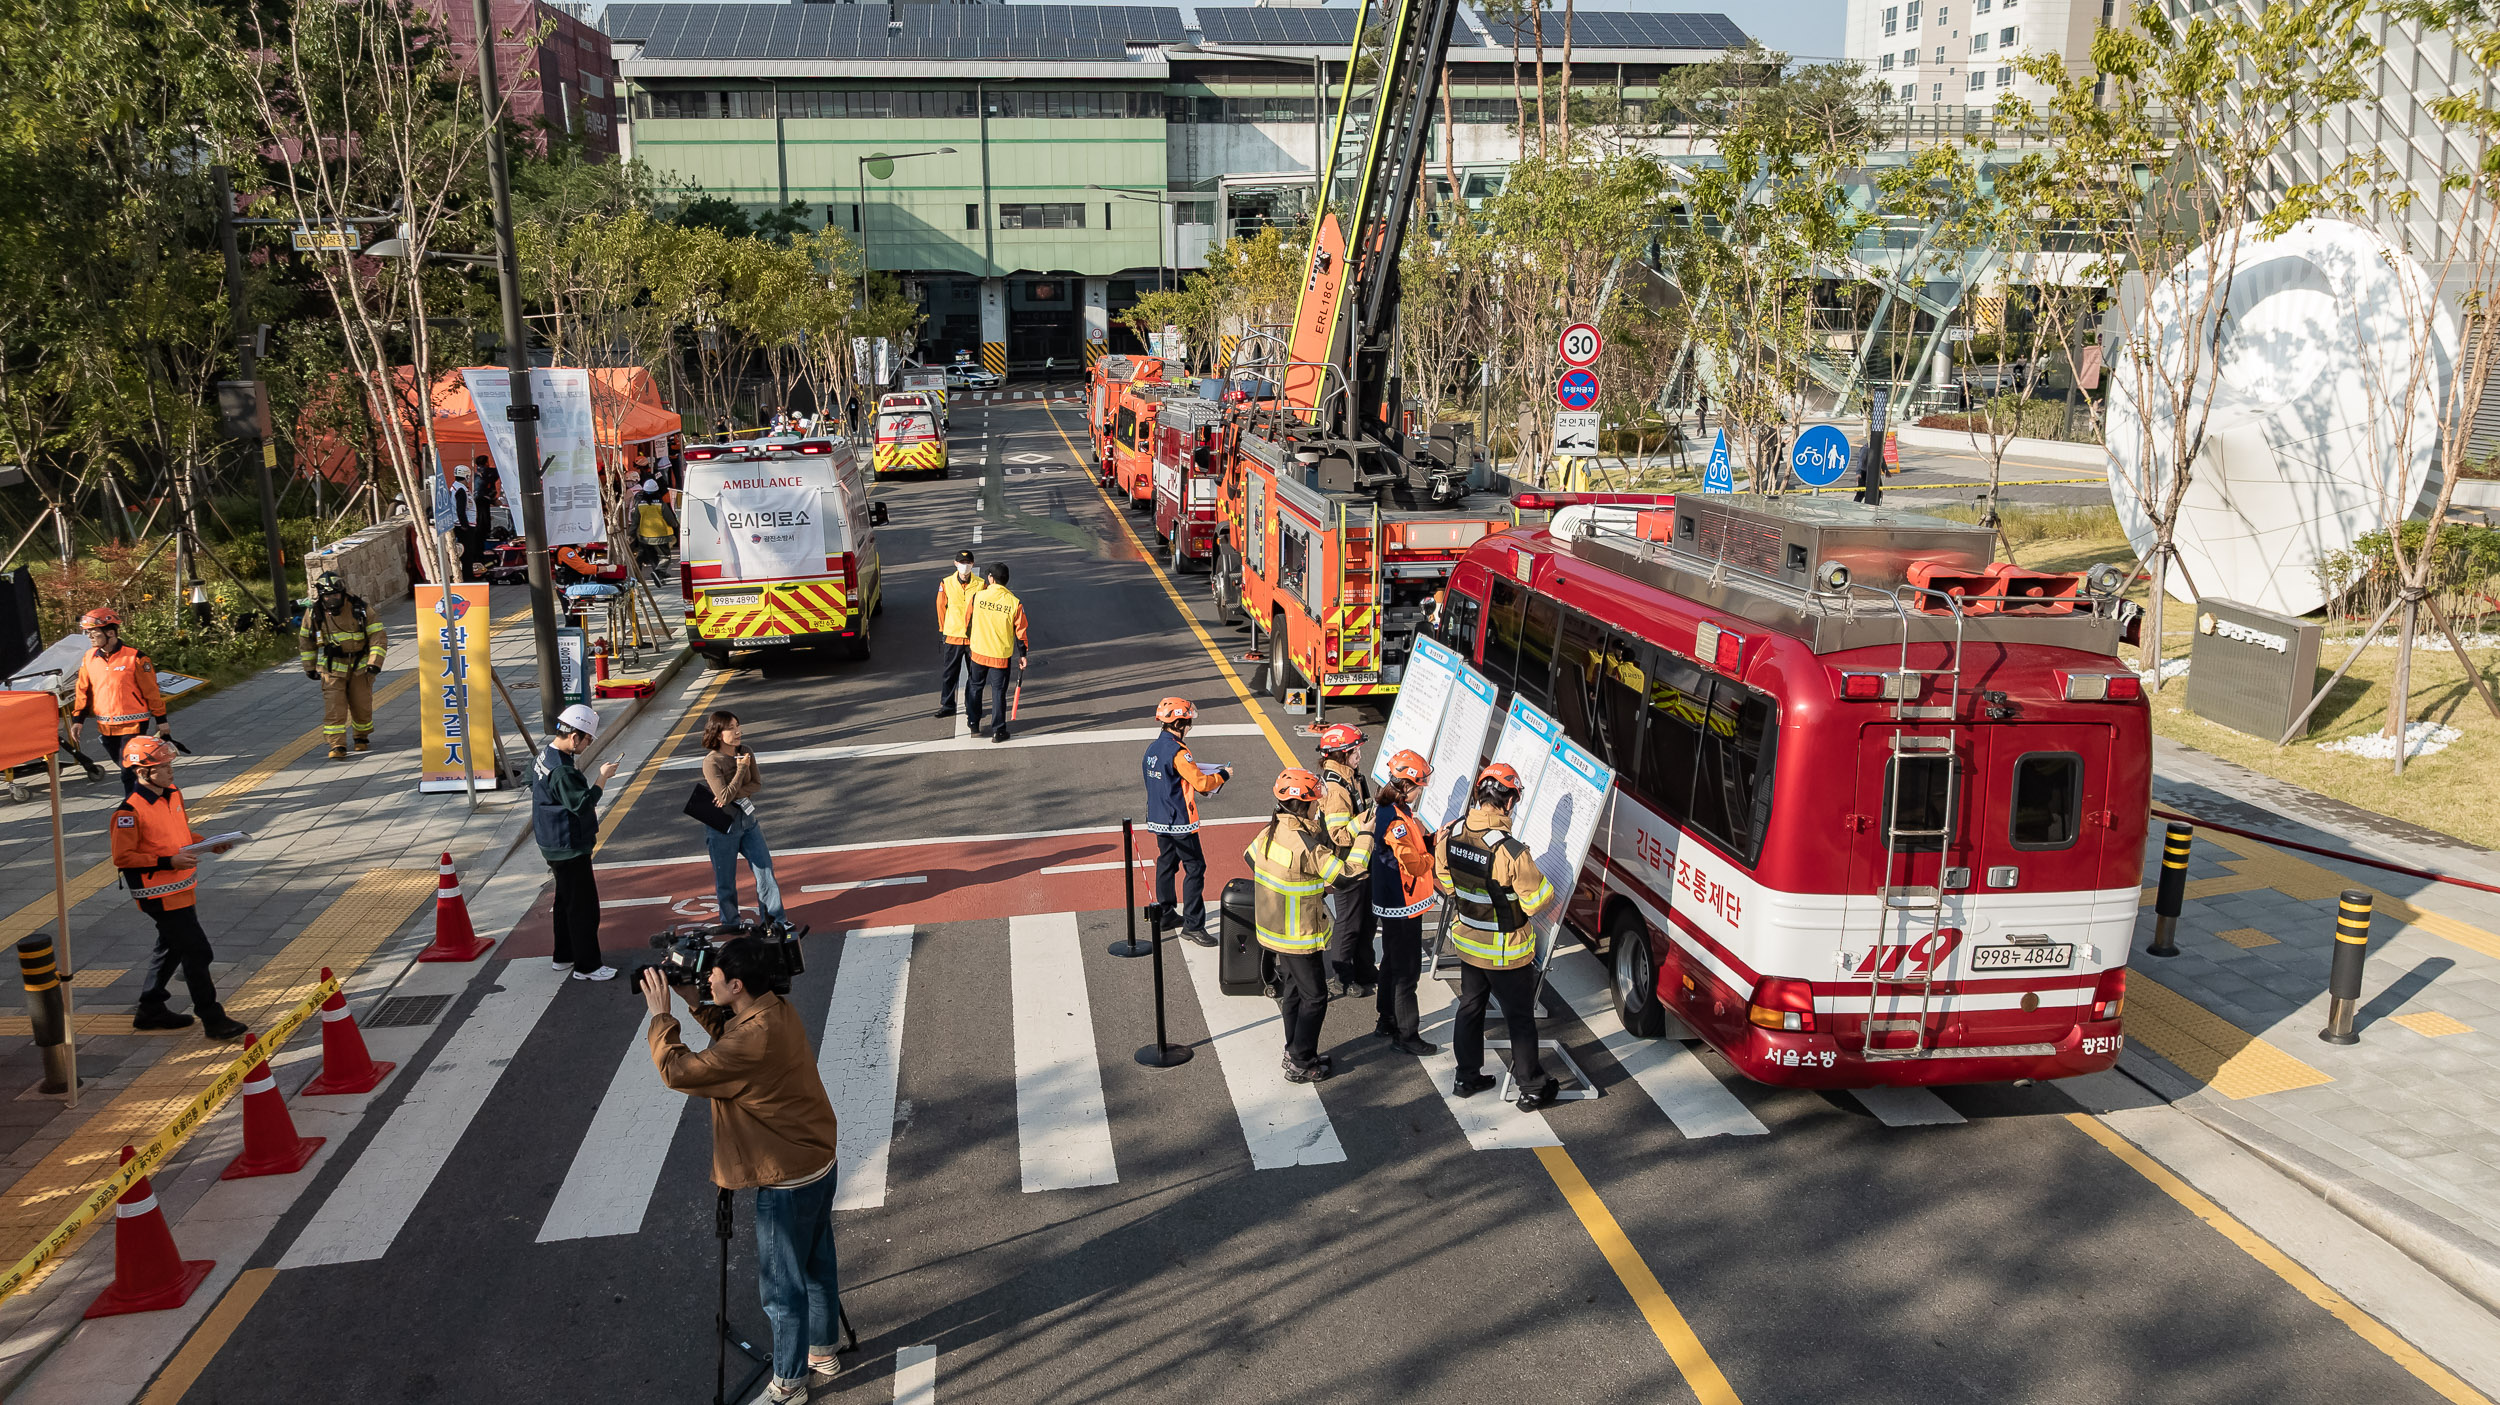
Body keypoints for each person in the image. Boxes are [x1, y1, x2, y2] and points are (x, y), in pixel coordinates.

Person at [643, 940, 844, 1404]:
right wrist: (697, 1003)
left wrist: (662, 1015)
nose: (705, 977)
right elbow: (735, 1037)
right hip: (816, 1161)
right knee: (816, 1265)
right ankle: (823, 1351)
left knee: (780, 1289)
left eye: (711, 974)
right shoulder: (775, 1011)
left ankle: (789, 1384)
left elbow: (679, 1071)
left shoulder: (751, 1039)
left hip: (785, 1180)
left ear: (736, 985)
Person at [1434, 762, 1560, 1111]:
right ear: (1508, 803)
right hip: (1506, 952)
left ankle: (1466, 1076)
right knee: (1519, 1018)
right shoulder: (1511, 851)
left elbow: (1447, 883)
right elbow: (1536, 902)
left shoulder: (1453, 834)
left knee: (1470, 1006)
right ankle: (1532, 1086)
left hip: (1469, 944)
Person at [113, 735, 247, 1040]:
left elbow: (177, 834)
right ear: (142, 771)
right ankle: (213, 1018)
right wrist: (167, 862)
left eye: (169, 763)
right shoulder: (128, 812)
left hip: (180, 886)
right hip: (157, 893)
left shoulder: (172, 793)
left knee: (171, 946)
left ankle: (151, 1008)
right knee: (197, 952)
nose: (170, 770)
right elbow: (123, 857)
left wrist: (206, 844)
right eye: (162, 765)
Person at [1247, 768, 1345, 1084]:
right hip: (1299, 935)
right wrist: (1366, 838)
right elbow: (1344, 877)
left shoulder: (1269, 832)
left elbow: (1248, 858)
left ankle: (1295, 1050)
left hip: (1273, 930)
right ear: (1303, 806)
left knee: (1293, 991)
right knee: (1315, 997)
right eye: (1315, 801)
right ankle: (1301, 1061)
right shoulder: (1306, 844)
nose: (1318, 805)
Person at [535, 703, 620, 981]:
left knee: (565, 901)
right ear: (574, 737)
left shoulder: (545, 756)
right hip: (569, 844)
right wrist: (602, 779)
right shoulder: (562, 770)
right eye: (588, 740)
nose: (588, 744)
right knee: (583, 907)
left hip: (551, 840)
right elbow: (582, 803)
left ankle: (564, 955)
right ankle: (588, 966)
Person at [1142, 697, 1230, 945]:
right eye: (1188, 722)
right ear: (1179, 723)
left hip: (1159, 819)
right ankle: (1193, 924)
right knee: (1195, 868)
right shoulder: (1180, 752)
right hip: (1180, 820)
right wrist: (1222, 775)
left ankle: (1166, 914)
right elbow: (1201, 783)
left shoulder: (1152, 749)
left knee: (1166, 864)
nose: (1189, 727)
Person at [1369, 749, 1438, 1055]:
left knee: (1390, 963)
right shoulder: (1395, 818)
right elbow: (1414, 863)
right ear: (1407, 785)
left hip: (1393, 900)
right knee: (1407, 972)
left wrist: (1432, 839)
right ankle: (1406, 1034)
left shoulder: (1388, 808)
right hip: (1403, 903)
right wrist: (1433, 854)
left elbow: (1410, 846)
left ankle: (1386, 1019)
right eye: (1418, 788)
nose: (1419, 793)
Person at [701, 711, 789, 932]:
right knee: (725, 879)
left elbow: (756, 784)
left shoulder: (746, 751)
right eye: (731, 728)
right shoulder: (711, 762)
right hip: (722, 828)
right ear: (719, 734)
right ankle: (730, 922)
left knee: (765, 870)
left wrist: (734, 792)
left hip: (749, 822)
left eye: (738, 725)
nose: (737, 731)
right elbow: (723, 797)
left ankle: (775, 919)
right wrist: (740, 770)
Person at [70, 607, 171, 794]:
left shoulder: (135, 658)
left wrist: (161, 720)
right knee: (129, 768)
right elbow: (83, 690)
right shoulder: (89, 658)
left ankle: (133, 805)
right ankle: (154, 790)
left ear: (110, 633)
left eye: (94, 633)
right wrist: (78, 720)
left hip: (133, 726)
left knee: (127, 771)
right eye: (88, 633)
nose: (90, 637)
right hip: (106, 727)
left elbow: (151, 691)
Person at [1314, 723, 1377, 999]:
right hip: (1346, 865)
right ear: (1341, 754)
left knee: (1365, 920)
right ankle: (1342, 978)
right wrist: (1364, 821)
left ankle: (1364, 969)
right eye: (1355, 752)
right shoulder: (1338, 789)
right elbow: (1339, 835)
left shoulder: (1347, 777)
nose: (1359, 756)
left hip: (1359, 859)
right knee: (1349, 923)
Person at [297, 570, 386, 759]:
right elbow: (306, 640)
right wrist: (309, 667)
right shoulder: (314, 613)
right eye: (327, 596)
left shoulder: (360, 609)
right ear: (322, 596)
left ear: (343, 592)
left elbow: (378, 635)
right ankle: (337, 745)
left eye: (335, 594)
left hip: (360, 667)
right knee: (334, 708)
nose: (332, 599)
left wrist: (374, 662)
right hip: (332, 669)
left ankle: (361, 737)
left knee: (362, 706)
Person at [963, 562, 1027, 743]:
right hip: (1000, 655)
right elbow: (1021, 633)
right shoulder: (1014, 603)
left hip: (978, 651)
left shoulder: (978, 597)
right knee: (998, 692)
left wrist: (969, 643)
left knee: (975, 686)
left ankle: (974, 722)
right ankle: (998, 731)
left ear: (991, 578)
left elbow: (968, 621)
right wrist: (1023, 654)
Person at [933, 549, 983, 719]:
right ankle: (947, 705)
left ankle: (973, 706)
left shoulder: (981, 584)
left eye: (968, 563)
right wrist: (943, 629)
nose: (965, 566)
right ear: (955, 564)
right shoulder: (946, 583)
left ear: (973, 565)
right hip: (953, 634)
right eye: (962, 563)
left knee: (974, 674)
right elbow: (941, 607)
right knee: (949, 673)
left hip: (973, 636)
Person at [632, 478, 679, 572]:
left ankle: (639, 567)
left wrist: (631, 532)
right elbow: (669, 518)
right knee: (664, 556)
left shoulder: (639, 504)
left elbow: (635, 520)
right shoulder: (661, 504)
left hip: (645, 535)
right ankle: (658, 572)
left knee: (647, 552)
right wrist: (675, 524)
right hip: (661, 535)